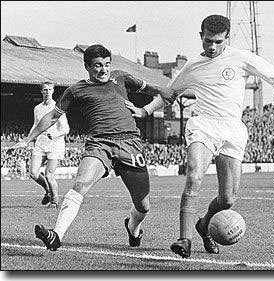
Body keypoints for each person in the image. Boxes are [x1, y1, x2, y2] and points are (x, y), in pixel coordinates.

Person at [125, 14, 274, 258]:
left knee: (228, 199)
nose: (212, 46)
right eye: (208, 41)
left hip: (232, 128)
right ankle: (184, 239)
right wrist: (145, 110)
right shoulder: (193, 65)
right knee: (194, 177)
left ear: (227, 38)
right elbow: (170, 93)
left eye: (218, 42)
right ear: (201, 36)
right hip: (203, 125)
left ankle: (203, 224)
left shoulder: (242, 59)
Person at [12, 44, 177, 251]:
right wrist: (28, 140)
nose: (104, 70)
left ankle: (134, 228)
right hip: (100, 144)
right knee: (80, 184)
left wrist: (157, 95)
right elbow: (53, 116)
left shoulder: (121, 78)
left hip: (129, 143)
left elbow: (151, 88)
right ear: (87, 67)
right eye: (98, 66)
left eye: (107, 65)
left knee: (143, 205)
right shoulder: (77, 90)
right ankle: (57, 235)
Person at [28, 81, 70, 208]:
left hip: (55, 145)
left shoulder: (57, 107)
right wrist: (27, 140)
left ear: (53, 91)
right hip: (40, 143)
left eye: (49, 89)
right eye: (45, 90)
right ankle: (47, 190)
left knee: (49, 175)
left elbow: (66, 129)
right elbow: (35, 125)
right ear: (41, 91)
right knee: (33, 173)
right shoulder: (37, 108)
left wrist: (55, 135)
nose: (47, 92)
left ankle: (54, 201)